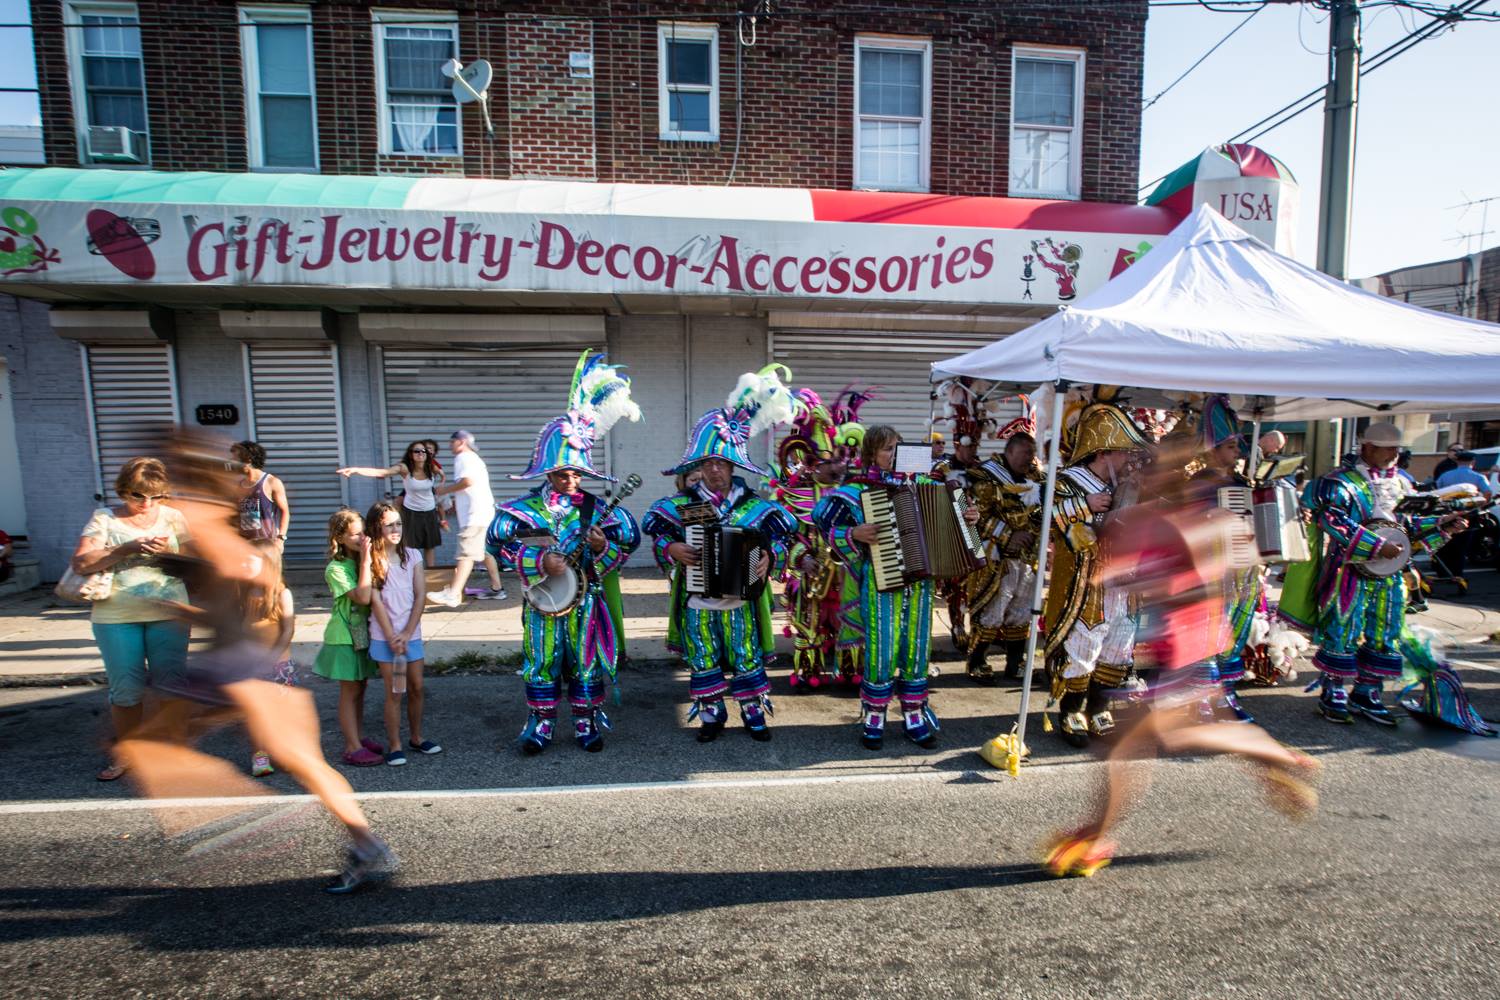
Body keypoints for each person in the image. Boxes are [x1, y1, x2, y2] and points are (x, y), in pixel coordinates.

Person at [110, 431, 397, 895]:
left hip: (235, 667)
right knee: (301, 761)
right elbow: (234, 595)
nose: (160, 499)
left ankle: (252, 821)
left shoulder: (208, 526)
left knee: (147, 744)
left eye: (164, 488)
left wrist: (192, 573)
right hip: (243, 662)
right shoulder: (216, 525)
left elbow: (246, 578)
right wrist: (185, 599)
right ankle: (362, 842)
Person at [1042, 438, 1320, 878]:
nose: (1132, 473)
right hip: (1191, 637)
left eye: (1139, 467)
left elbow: (1143, 573)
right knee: (1144, 743)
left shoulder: (1157, 519)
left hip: (1180, 643)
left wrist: (1146, 579)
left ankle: (1096, 838)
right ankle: (1097, 836)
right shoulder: (1185, 514)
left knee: (1147, 742)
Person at [488, 351, 642, 754]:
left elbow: (629, 539)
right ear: (547, 472)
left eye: (577, 473)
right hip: (541, 602)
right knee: (542, 661)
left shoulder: (596, 509)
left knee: (585, 662)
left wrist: (602, 547)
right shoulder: (522, 510)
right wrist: (538, 561)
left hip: (586, 603)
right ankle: (540, 724)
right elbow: (495, 544)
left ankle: (586, 722)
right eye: (562, 473)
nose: (571, 480)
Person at [643, 367, 799, 743]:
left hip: (740, 602)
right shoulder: (681, 505)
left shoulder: (755, 506)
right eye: (708, 463)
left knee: (745, 654)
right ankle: (712, 715)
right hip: (698, 602)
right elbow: (653, 529)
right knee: (703, 656)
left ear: (733, 466)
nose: (715, 469)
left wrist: (770, 557)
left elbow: (785, 536)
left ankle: (752, 713)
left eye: (722, 462)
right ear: (699, 467)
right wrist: (671, 548)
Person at [814, 424, 980, 750]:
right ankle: (875, 715)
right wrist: (853, 533)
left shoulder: (929, 485)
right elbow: (822, 519)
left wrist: (969, 518)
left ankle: (913, 714)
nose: (893, 454)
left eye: (897, 447)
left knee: (917, 648)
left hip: (920, 583)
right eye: (886, 448)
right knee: (882, 647)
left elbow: (962, 523)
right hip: (882, 581)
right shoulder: (858, 489)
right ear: (871, 454)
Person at [1291, 423, 1467, 726]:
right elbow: (1332, 519)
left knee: (1386, 631)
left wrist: (1443, 525)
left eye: (1397, 449)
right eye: (1389, 449)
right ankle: (1333, 691)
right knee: (1342, 628)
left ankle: (1367, 692)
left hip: (1390, 573)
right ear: (1368, 447)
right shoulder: (1339, 482)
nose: (1395, 454)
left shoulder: (1400, 483)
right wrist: (1375, 545)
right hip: (1348, 570)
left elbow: (1407, 526)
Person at [71, 457, 192, 781]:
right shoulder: (105, 518)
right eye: (139, 495)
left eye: (156, 496)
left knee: (172, 685)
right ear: (124, 490)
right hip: (116, 616)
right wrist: (126, 548)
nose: (147, 503)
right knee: (126, 691)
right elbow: (81, 563)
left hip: (170, 612)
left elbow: (196, 562)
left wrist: (171, 556)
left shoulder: (173, 517)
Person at [1041, 403, 1152, 747]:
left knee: (1118, 644)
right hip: (1086, 582)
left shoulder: (1129, 484)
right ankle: (1071, 711)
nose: (1129, 458)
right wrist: (1084, 506)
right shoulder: (1067, 481)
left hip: (1124, 582)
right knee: (1083, 644)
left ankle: (1099, 709)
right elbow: (1041, 518)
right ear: (1104, 452)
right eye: (1123, 452)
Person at [771, 386, 865, 692]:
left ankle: (850, 670)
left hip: (846, 573)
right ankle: (808, 671)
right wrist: (801, 557)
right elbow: (785, 534)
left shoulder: (854, 490)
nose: (838, 466)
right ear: (814, 463)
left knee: (850, 619)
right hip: (811, 575)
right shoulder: (794, 493)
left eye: (839, 460)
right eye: (830, 462)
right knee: (808, 623)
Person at [1187, 395, 1259, 722]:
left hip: (1243, 568)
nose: (1237, 452)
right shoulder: (1196, 484)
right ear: (1212, 450)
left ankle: (1226, 692)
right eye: (1230, 447)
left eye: (1236, 446)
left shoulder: (1242, 483)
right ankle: (1201, 695)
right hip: (1211, 567)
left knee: (1235, 628)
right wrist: (1209, 516)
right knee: (1208, 629)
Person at [964, 417, 1043, 684]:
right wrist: (1009, 534)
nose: (1029, 458)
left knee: (1022, 610)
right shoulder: (986, 476)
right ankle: (977, 662)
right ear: (1009, 451)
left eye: (1032, 453)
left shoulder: (1037, 478)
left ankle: (1015, 663)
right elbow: (976, 516)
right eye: (1025, 453)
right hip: (996, 556)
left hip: (1028, 556)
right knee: (992, 610)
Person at [365, 501, 438, 766]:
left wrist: (407, 632)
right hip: (385, 638)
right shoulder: (372, 560)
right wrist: (392, 636)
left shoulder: (413, 555)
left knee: (417, 686)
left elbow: (420, 596)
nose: (396, 529)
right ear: (376, 527)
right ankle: (395, 744)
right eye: (389, 525)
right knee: (396, 691)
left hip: (411, 635)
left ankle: (416, 737)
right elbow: (375, 600)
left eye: (399, 524)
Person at [312, 508, 383, 765]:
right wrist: (365, 561)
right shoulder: (336, 568)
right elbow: (362, 597)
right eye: (354, 534)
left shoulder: (360, 560)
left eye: (363, 533)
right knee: (350, 690)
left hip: (362, 635)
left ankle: (359, 737)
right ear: (339, 538)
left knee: (361, 687)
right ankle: (352, 746)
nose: (361, 538)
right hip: (343, 637)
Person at [337, 441, 447, 567]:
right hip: (412, 512)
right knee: (409, 545)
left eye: (424, 451)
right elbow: (383, 473)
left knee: (430, 545)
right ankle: (409, 569)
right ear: (411, 454)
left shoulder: (430, 467)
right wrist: (356, 470)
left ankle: (430, 572)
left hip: (429, 511)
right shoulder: (404, 468)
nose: (420, 453)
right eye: (417, 451)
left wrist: (442, 483)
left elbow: (442, 474)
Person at [429, 430, 506, 606]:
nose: (450, 445)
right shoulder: (474, 459)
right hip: (481, 512)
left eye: (452, 442)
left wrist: (444, 490)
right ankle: (497, 589)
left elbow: (467, 482)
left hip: (474, 515)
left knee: (465, 553)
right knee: (482, 552)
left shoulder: (463, 457)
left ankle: (453, 593)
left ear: (462, 442)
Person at [246, 540, 295, 778]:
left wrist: (272, 657)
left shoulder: (282, 594)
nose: (244, 563)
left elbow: (288, 630)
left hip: (279, 665)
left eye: (250, 559)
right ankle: (260, 754)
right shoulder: (244, 593)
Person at [1433, 450, 1492, 583]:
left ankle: (1442, 573)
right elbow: (1487, 493)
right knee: (1461, 546)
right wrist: (1480, 506)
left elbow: (1436, 493)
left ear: (1457, 461)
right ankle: (1456, 574)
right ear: (1473, 462)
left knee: (1444, 543)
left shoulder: (1445, 475)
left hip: (1446, 514)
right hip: (1468, 515)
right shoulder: (1478, 477)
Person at [232, 441, 290, 550]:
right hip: (246, 546)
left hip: (268, 545)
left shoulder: (271, 482)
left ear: (248, 459)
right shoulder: (239, 486)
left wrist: (281, 538)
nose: (233, 463)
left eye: (236, 459)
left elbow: (285, 511)